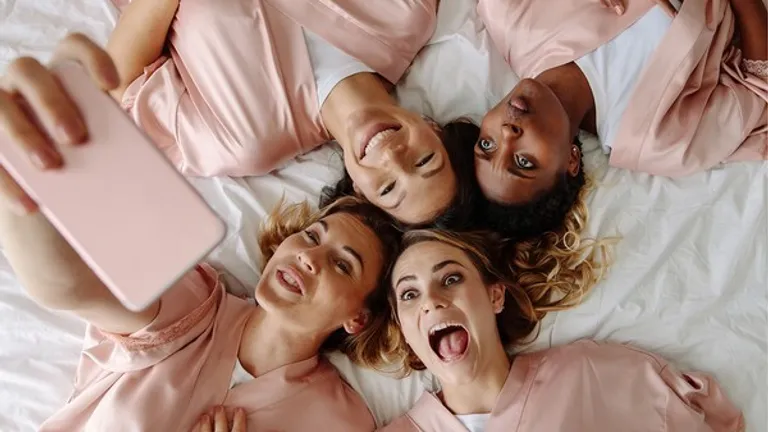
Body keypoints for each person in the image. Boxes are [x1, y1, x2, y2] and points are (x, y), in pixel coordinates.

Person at [0, 37, 403, 431]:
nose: (309, 258)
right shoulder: (194, 305)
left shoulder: (339, 420)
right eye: (313, 237)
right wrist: (35, 174)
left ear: (358, 317)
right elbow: (70, 286)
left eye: (342, 265)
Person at [106, 0, 480, 227]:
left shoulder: (247, 139)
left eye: (388, 187)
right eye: (424, 160)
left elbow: (121, 82)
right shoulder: (406, 15)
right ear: (434, 128)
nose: (393, 158)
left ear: (362, 194)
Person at [367, 229, 745, 431]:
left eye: (450, 278)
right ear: (404, 328)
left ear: (495, 296)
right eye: (410, 294)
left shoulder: (589, 373)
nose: (431, 301)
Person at [463, 0, 767, 240]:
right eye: (524, 162)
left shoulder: (512, 18)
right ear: (570, 161)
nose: (507, 132)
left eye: (486, 144)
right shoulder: (656, 139)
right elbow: (759, 82)